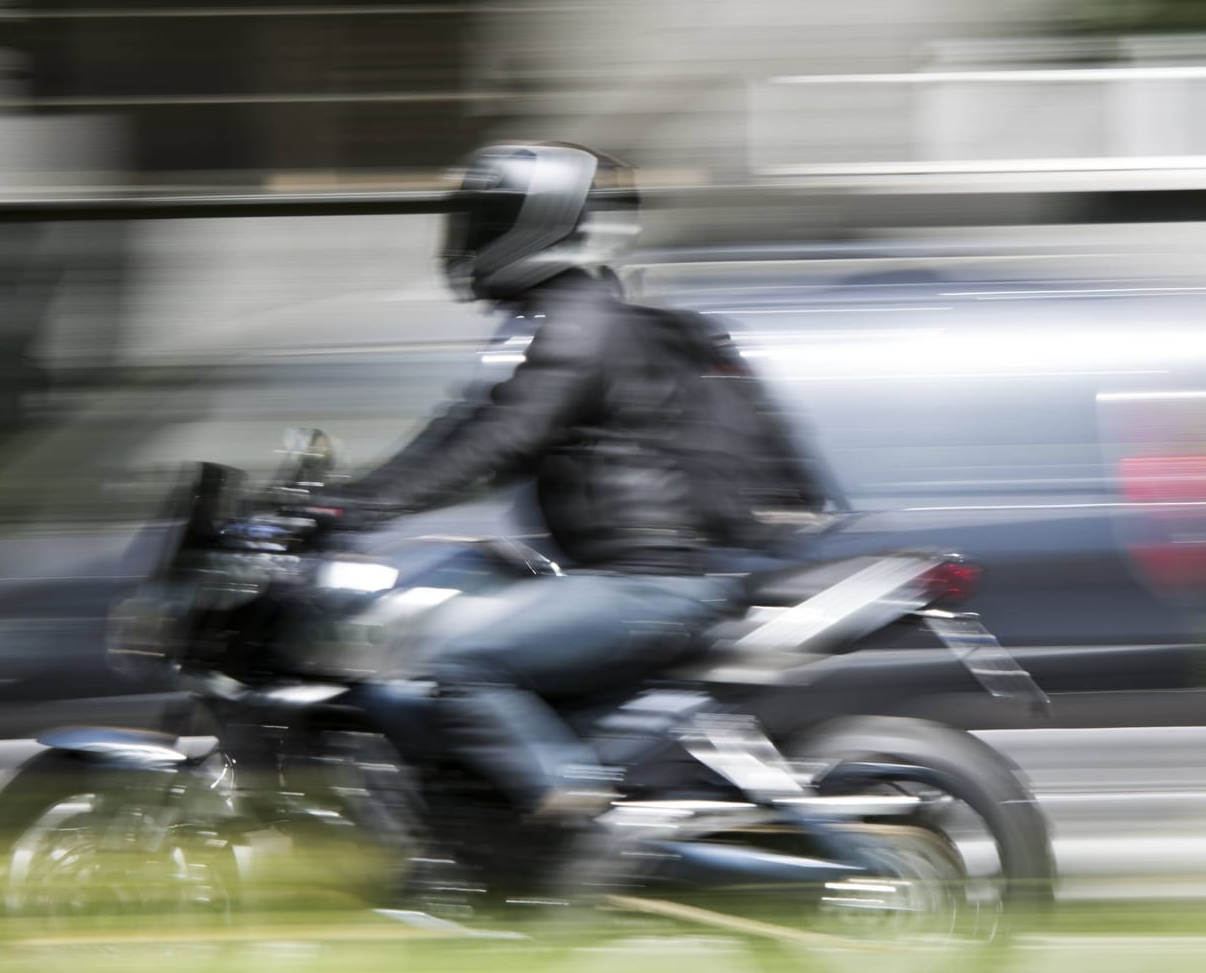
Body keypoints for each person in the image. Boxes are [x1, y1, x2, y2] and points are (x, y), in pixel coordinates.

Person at [307, 142, 830, 887]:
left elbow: (499, 441)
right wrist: (343, 498)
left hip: (650, 581)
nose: (465, 239)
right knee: (443, 609)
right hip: (630, 573)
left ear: (535, 224)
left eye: (484, 220)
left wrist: (359, 509)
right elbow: (458, 432)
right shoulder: (557, 322)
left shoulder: (577, 326)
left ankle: (575, 816)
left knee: (460, 660)